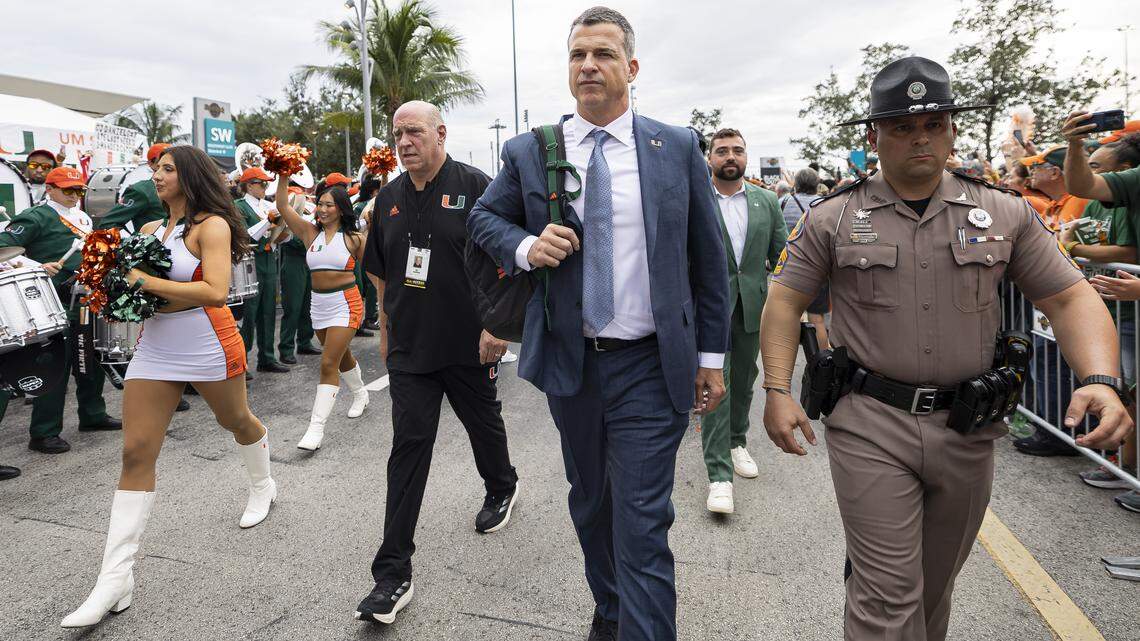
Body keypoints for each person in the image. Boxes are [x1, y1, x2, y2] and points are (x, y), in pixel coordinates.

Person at [760, 57, 1132, 641]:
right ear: (873, 136)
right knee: (887, 598)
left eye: (934, 124)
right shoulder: (834, 216)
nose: (921, 138)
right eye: (903, 127)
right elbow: (783, 301)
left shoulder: (1003, 211)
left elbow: (1068, 297)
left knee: (933, 590)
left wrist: (1100, 379)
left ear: (952, 130)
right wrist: (777, 390)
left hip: (967, 427)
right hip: (869, 421)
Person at [467, 9, 730, 640]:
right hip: (572, 363)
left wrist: (713, 360)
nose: (589, 65)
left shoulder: (676, 148)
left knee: (642, 521)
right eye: (578, 54)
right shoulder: (531, 152)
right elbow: (483, 221)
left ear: (631, 68)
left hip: (648, 361)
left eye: (604, 54)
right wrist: (528, 246)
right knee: (591, 504)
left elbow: (708, 259)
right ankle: (611, 610)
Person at [60, 145, 277, 628]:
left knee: (236, 421)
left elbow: (216, 290)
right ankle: (115, 578)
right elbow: (137, 289)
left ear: (190, 175)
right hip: (157, 346)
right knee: (136, 452)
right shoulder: (151, 230)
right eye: (155, 168)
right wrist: (112, 286)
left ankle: (262, 482)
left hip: (208, 339)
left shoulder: (211, 226)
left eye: (167, 169)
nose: (156, 176)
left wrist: (143, 281)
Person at [355, 100, 520, 625]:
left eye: (414, 132)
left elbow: (510, 262)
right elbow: (380, 271)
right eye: (397, 134)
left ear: (440, 133)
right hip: (409, 350)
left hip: (469, 343)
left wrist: (496, 327)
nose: (404, 142)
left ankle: (502, 485)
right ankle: (392, 575)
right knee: (408, 449)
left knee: (482, 423)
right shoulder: (388, 200)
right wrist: (384, 328)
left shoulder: (477, 186)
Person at [0, 167, 121, 454]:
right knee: (57, 364)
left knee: (92, 356)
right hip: (52, 302)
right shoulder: (35, 216)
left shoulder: (82, 217)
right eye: (68, 190)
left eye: (79, 190)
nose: (74, 196)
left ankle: (92, 414)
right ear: (50, 189)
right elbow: (4, 251)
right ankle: (44, 432)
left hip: (85, 297)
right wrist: (38, 266)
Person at [701, 127, 787, 513]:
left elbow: (783, 256)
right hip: (709, 309)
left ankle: (737, 442)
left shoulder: (767, 201)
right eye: (722, 151)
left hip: (752, 306)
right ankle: (718, 475)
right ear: (710, 158)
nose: (730, 157)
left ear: (746, 157)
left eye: (737, 150)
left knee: (746, 380)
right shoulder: (697, 199)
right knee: (715, 382)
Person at [1062, 114, 1140, 513]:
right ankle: (1125, 467)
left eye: (1098, 163)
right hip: (1126, 319)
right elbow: (1080, 185)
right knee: (1129, 395)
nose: (1093, 171)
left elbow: (1128, 254)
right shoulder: (1127, 186)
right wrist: (1076, 144)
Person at [273, 168, 370, 451]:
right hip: (320, 305)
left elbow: (376, 273)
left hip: (346, 303)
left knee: (328, 363)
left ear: (341, 208)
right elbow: (281, 206)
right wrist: (282, 173)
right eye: (320, 204)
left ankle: (315, 430)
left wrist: (389, 306)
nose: (323, 209)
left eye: (329, 204)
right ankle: (360, 393)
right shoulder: (308, 233)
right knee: (340, 357)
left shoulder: (355, 239)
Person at [234, 167, 289, 373]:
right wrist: (269, 222)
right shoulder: (238, 206)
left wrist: (285, 231)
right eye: (262, 184)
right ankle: (242, 361)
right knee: (249, 313)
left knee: (267, 310)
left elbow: (279, 233)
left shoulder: (268, 205)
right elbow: (246, 235)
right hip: (250, 260)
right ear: (249, 185)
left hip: (268, 258)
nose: (266, 187)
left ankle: (267, 357)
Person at [276, 187, 321, 364]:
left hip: (308, 261)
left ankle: (305, 341)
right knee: (292, 307)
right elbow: (285, 238)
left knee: (308, 305)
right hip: (294, 261)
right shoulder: (287, 215)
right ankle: (286, 348)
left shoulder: (309, 211)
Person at [97, 143, 171, 233]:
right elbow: (108, 224)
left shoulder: (182, 190)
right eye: (160, 163)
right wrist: (134, 242)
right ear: (151, 164)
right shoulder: (142, 191)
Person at [1020, 145, 1088, 230]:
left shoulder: (1077, 199)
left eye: (1036, 166)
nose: (1032, 171)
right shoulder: (1053, 205)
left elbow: (1054, 240)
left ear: (1054, 173)